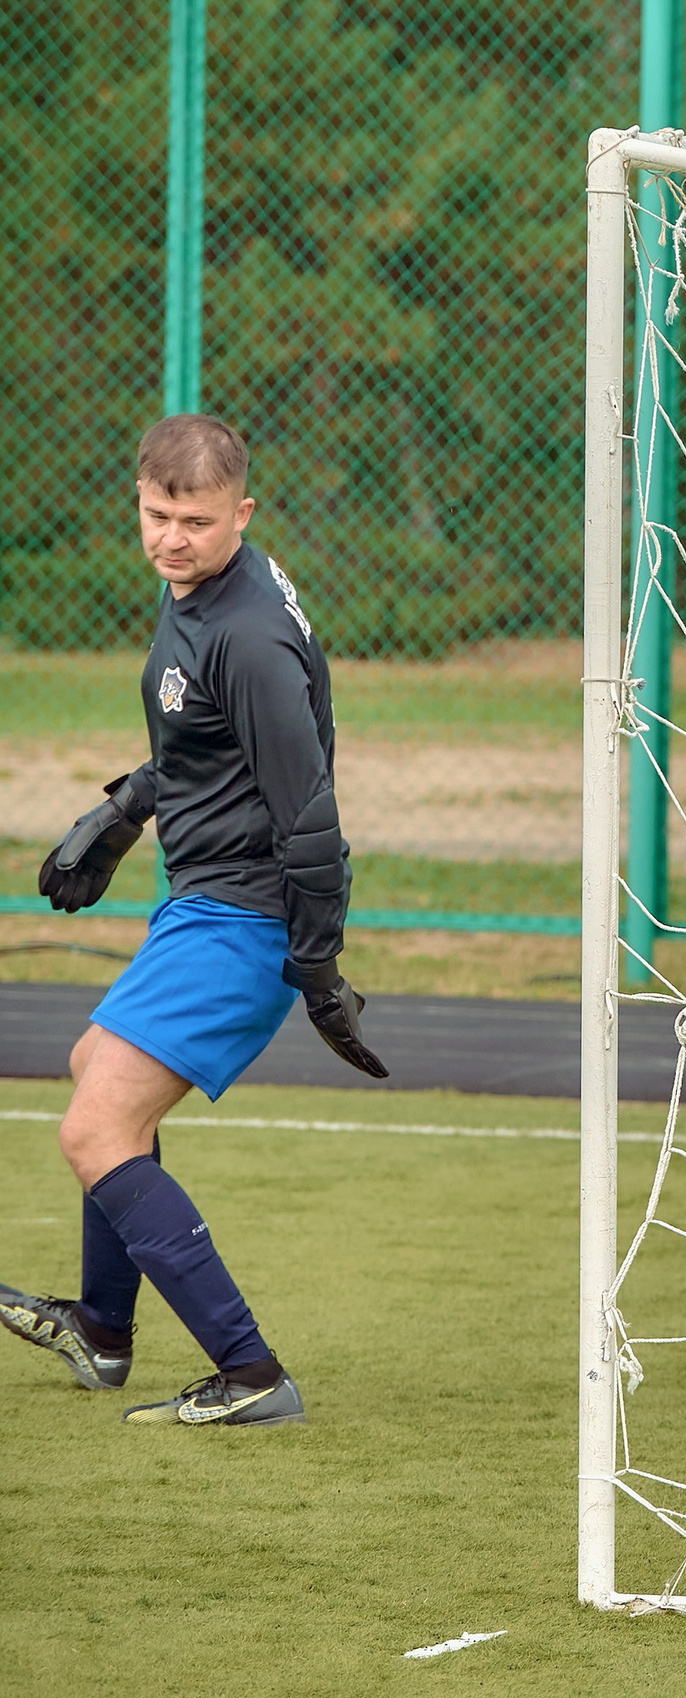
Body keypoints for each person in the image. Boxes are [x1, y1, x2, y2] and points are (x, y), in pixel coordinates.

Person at [0, 414, 386, 1428]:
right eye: (157, 514)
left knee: (95, 1129)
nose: (172, 536)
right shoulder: (202, 594)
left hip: (246, 917)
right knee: (97, 1069)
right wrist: (123, 812)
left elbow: (311, 817)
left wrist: (315, 968)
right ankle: (103, 1327)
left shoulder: (249, 635)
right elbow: (198, 742)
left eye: (197, 520)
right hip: (202, 901)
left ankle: (252, 1376)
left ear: (242, 513)